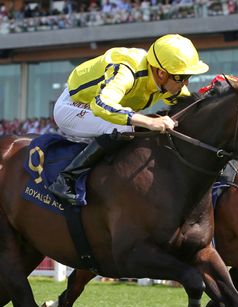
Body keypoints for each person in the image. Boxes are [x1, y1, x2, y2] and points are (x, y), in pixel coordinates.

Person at [47, 34, 210, 205]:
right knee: (125, 127)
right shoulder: (126, 71)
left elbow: (184, 102)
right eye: (182, 77)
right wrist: (150, 122)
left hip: (98, 108)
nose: (186, 83)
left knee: (131, 124)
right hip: (73, 107)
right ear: (161, 73)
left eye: (188, 77)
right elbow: (101, 104)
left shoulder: (165, 80)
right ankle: (66, 179)